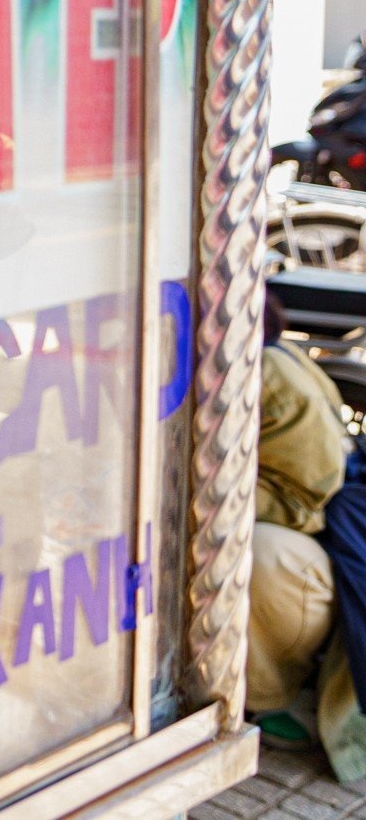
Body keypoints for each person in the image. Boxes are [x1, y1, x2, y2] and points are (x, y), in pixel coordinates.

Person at [246, 292, 366, 776]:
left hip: (307, 555)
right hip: (309, 537)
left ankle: (276, 697)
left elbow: (306, 503)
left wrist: (193, 498)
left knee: (257, 554)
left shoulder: (273, 373)